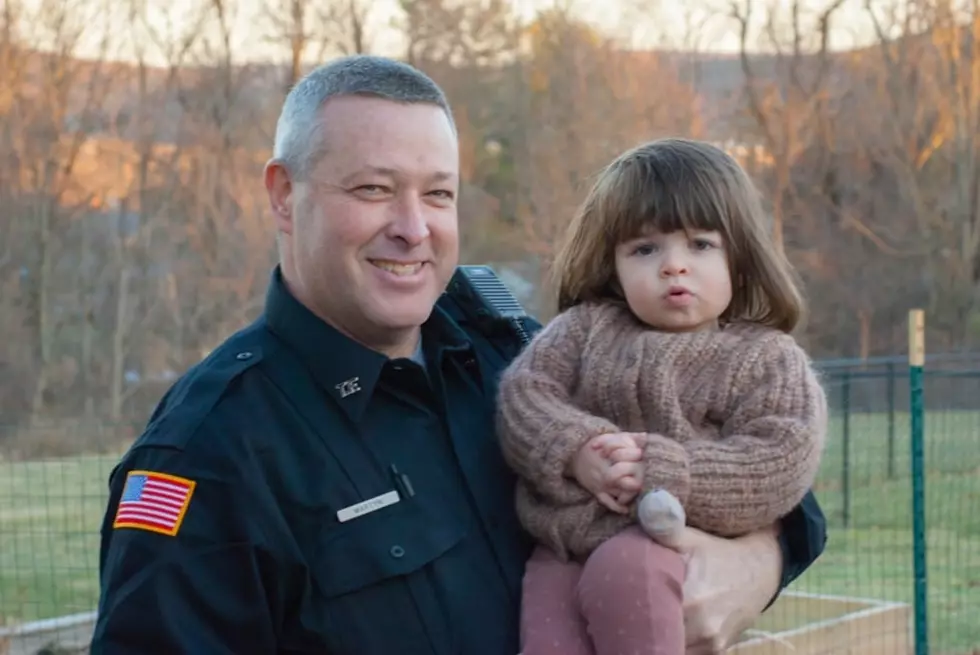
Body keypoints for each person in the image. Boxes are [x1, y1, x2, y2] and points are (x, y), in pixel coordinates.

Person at [90, 55, 827, 654]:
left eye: (437, 194)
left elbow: (749, 459)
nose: (413, 229)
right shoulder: (211, 457)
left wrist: (752, 565)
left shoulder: (505, 352)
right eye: (375, 189)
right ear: (285, 195)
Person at [495, 137, 829, 655]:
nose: (674, 265)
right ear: (613, 264)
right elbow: (524, 394)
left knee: (627, 567)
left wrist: (666, 471)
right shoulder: (583, 330)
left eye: (700, 244)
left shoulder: (766, 358)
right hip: (563, 548)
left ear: (739, 259)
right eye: (645, 249)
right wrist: (579, 449)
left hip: (665, 553)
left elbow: (780, 457)